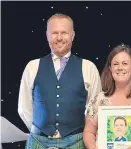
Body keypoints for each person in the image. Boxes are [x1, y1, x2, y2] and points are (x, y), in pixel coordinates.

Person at [18, 13, 102, 149]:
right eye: (54, 33)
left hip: (76, 141)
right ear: (47, 36)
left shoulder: (88, 67)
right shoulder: (32, 66)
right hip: (39, 141)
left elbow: (94, 109)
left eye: (64, 33)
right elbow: (24, 107)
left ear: (73, 36)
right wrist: (39, 130)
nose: (59, 38)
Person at [83, 44, 131, 149]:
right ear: (110, 68)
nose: (120, 68)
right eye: (115, 64)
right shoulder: (98, 100)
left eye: (125, 63)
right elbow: (89, 131)